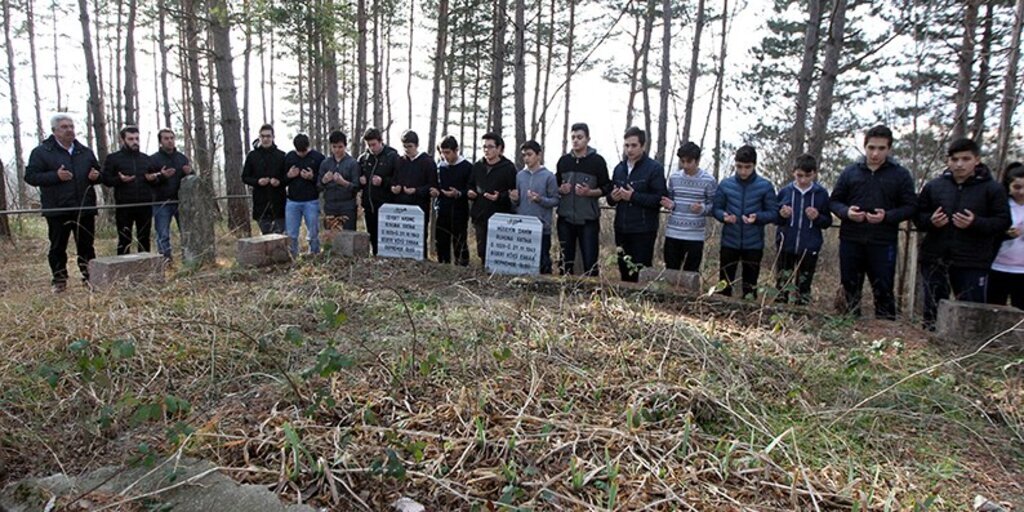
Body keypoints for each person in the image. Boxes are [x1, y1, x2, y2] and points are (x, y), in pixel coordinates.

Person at [915, 138, 1010, 329]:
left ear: (976, 160)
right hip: (935, 257)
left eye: (965, 159)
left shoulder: (992, 189)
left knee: (971, 311)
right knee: (932, 310)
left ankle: (968, 349)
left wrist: (976, 223)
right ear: (948, 161)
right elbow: (917, 216)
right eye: (955, 159)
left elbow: (1003, 221)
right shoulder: (934, 186)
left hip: (972, 260)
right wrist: (930, 221)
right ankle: (930, 344)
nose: (959, 164)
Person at [829, 125, 917, 319]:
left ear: (889, 149)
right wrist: (847, 212)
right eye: (871, 147)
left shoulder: (900, 175)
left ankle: (886, 332)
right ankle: (848, 327)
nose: (875, 153)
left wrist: (887, 216)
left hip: (883, 241)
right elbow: (834, 201)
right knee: (850, 287)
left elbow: (911, 206)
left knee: (883, 288)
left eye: (881, 148)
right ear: (865, 146)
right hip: (851, 239)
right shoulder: (850, 172)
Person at [25, 114, 102, 293]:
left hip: (84, 207)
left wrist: (96, 176)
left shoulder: (85, 151)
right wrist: (55, 176)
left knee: (86, 245)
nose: (69, 130)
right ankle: (59, 279)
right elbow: (30, 176)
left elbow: (99, 173)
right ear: (54, 131)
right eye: (64, 127)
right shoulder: (42, 152)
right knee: (58, 246)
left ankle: (89, 276)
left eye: (71, 126)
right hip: (57, 208)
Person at [711, 145, 778, 299]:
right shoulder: (725, 184)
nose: (743, 171)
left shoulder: (765, 186)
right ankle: (721, 315)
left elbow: (773, 213)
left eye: (747, 167)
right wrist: (724, 216)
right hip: (729, 241)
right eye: (739, 167)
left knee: (750, 288)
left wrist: (758, 218)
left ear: (754, 165)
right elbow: (716, 209)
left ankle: (750, 319)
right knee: (724, 285)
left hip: (753, 243)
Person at [607, 126, 667, 282]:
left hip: (644, 230)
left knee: (641, 272)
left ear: (643, 146)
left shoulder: (654, 169)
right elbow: (609, 199)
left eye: (634, 145)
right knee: (624, 271)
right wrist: (613, 197)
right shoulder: (619, 169)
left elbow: (659, 199)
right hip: (621, 228)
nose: (629, 149)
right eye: (627, 145)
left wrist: (633, 196)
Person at [774, 153, 832, 304]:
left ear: (815, 173)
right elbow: (775, 217)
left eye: (808, 176)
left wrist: (818, 217)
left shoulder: (821, 194)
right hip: (786, 244)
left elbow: (827, 221)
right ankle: (779, 311)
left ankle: (801, 313)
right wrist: (782, 215)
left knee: (804, 284)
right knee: (782, 282)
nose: (803, 180)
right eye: (799, 175)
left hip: (809, 245)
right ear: (793, 172)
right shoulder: (785, 192)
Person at [555, 122, 611, 276]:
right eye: (573, 137)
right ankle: (565, 293)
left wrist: (590, 192)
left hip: (588, 219)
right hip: (565, 218)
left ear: (588, 139)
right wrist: (561, 189)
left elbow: (607, 187)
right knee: (565, 261)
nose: (575, 141)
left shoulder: (597, 161)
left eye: (579, 137)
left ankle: (593, 295)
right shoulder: (563, 161)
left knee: (590, 262)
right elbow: (555, 184)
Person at [660, 141, 717, 272]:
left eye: (689, 161)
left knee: (691, 274)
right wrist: (670, 205)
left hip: (695, 236)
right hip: (673, 233)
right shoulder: (674, 178)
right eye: (682, 161)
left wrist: (702, 208)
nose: (685, 165)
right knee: (671, 271)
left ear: (697, 161)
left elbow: (714, 206)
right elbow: (672, 201)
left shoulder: (709, 180)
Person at [467, 132, 517, 267]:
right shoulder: (477, 166)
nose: (486, 150)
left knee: (498, 251)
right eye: (484, 147)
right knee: (482, 250)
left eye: (490, 147)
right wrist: (470, 192)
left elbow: (514, 192)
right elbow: (470, 184)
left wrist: (499, 197)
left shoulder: (509, 168)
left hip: (500, 216)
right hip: (480, 215)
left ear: (500, 148)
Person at [102, 126, 154, 255]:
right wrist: (120, 180)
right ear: (122, 140)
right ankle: (122, 267)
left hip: (144, 204)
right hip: (124, 204)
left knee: (144, 238)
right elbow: (106, 180)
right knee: (124, 238)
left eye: (137, 138)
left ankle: (145, 266)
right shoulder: (113, 158)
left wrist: (155, 178)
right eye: (131, 139)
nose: (135, 142)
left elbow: (154, 179)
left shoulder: (146, 159)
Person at [511, 141, 559, 274]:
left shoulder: (549, 176)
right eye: (524, 155)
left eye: (529, 155)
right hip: (523, 227)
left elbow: (555, 200)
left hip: (542, 227)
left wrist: (540, 199)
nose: (526, 158)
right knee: (524, 261)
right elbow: (517, 202)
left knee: (543, 260)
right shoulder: (520, 176)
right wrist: (514, 199)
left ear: (538, 155)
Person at [147, 129, 192, 261]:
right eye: (166, 138)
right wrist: (161, 176)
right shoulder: (153, 159)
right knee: (163, 234)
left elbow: (190, 178)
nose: (170, 141)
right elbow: (148, 180)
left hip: (181, 202)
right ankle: (166, 261)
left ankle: (189, 259)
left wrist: (190, 172)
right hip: (161, 202)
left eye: (172, 138)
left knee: (186, 232)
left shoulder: (181, 158)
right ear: (160, 141)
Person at [392, 130, 438, 258]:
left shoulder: (427, 162)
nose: (407, 150)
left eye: (410, 146)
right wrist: (394, 187)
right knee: (401, 235)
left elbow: (432, 186)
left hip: (419, 207)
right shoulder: (400, 161)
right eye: (405, 146)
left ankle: (421, 259)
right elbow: (394, 179)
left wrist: (416, 191)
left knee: (419, 236)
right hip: (401, 206)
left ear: (416, 145)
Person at [357, 127, 399, 255]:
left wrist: (383, 182)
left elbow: (398, 181)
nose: (371, 148)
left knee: (386, 237)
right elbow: (357, 178)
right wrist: (361, 180)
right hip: (369, 205)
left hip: (386, 205)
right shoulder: (363, 158)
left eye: (374, 144)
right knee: (372, 235)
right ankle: (374, 256)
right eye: (369, 145)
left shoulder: (392, 156)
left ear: (381, 141)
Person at [431, 135, 472, 266]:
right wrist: (435, 192)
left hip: (460, 210)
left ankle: (462, 266)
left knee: (459, 240)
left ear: (456, 150)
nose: (445, 156)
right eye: (442, 153)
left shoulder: (467, 167)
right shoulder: (439, 167)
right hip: (442, 208)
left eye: (447, 153)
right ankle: (443, 265)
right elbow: (434, 185)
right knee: (441, 239)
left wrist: (459, 193)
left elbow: (471, 190)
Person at [988, 162, 1024, 309]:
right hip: (997, 266)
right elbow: (989, 229)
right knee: (993, 310)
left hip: (1022, 270)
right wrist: (1005, 234)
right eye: (1017, 187)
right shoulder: (1000, 205)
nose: (1022, 192)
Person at [283, 134, 325, 255]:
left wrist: (312, 177)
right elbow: (282, 180)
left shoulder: (318, 158)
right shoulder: (289, 157)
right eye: (299, 152)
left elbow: (323, 181)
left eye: (304, 151)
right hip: (292, 201)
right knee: (291, 233)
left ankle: (315, 254)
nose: (301, 154)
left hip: (311, 201)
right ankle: (293, 256)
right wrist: (289, 176)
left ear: (308, 146)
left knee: (313, 232)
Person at [242, 124, 287, 234]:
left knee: (279, 237)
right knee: (266, 237)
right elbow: (245, 177)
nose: (266, 139)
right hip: (260, 203)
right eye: (263, 136)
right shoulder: (252, 156)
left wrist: (279, 182)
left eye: (268, 136)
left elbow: (288, 177)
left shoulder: (281, 155)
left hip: (279, 204)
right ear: (259, 137)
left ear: (273, 137)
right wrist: (257, 182)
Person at [319, 130, 361, 233]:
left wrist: (343, 182)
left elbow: (357, 187)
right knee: (330, 238)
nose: (337, 150)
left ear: (345, 146)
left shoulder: (353, 163)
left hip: (347, 205)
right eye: (334, 147)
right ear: (330, 146)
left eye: (340, 147)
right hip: (330, 205)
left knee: (349, 237)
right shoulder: (325, 163)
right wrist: (324, 180)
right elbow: (318, 186)